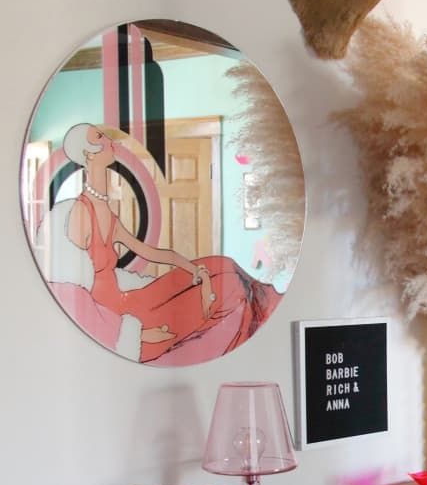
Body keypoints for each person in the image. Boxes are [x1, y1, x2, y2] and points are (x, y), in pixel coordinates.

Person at [57, 123, 280, 364]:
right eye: (100, 136)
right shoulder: (80, 212)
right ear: (89, 153)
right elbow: (75, 291)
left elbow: (151, 252)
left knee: (222, 268)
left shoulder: (105, 211)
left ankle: (270, 308)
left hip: (130, 299)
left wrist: (194, 270)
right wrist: (133, 333)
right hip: (116, 317)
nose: (110, 141)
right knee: (231, 289)